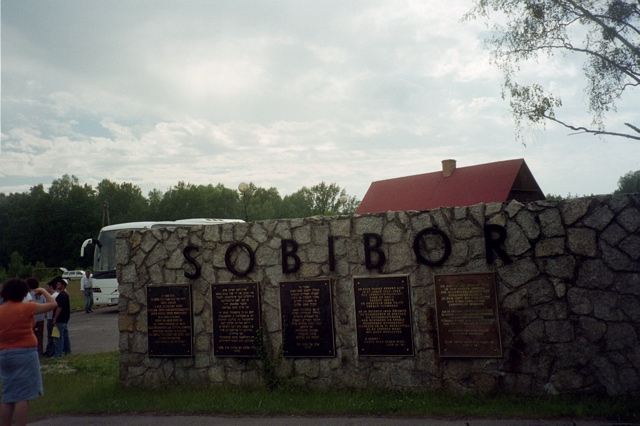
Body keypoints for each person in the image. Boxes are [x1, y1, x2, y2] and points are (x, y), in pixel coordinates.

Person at [0, 278, 58, 426]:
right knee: (23, 396)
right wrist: (44, 291)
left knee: (8, 395)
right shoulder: (27, 307)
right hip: (25, 353)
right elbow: (53, 304)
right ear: (23, 293)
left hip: (4, 354)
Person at [26, 278, 46, 356]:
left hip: (32, 319)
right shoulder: (41, 294)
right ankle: (40, 352)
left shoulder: (28, 295)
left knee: (32, 336)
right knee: (40, 336)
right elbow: (44, 303)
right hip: (40, 318)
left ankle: (32, 353)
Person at [52, 278, 71, 357]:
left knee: (58, 337)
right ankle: (67, 351)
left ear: (63, 286)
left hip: (60, 319)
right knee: (65, 336)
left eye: (59, 284)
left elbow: (59, 308)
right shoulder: (65, 294)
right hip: (65, 319)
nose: (57, 285)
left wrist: (55, 318)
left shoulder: (62, 295)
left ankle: (58, 354)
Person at [43, 280, 59, 358]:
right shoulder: (57, 295)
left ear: (51, 287)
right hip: (52, 317)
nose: (46, 288)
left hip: (51, 317)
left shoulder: (52, 297)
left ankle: (50, 351)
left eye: (47, 287)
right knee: (53, 335)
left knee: (50, 336)